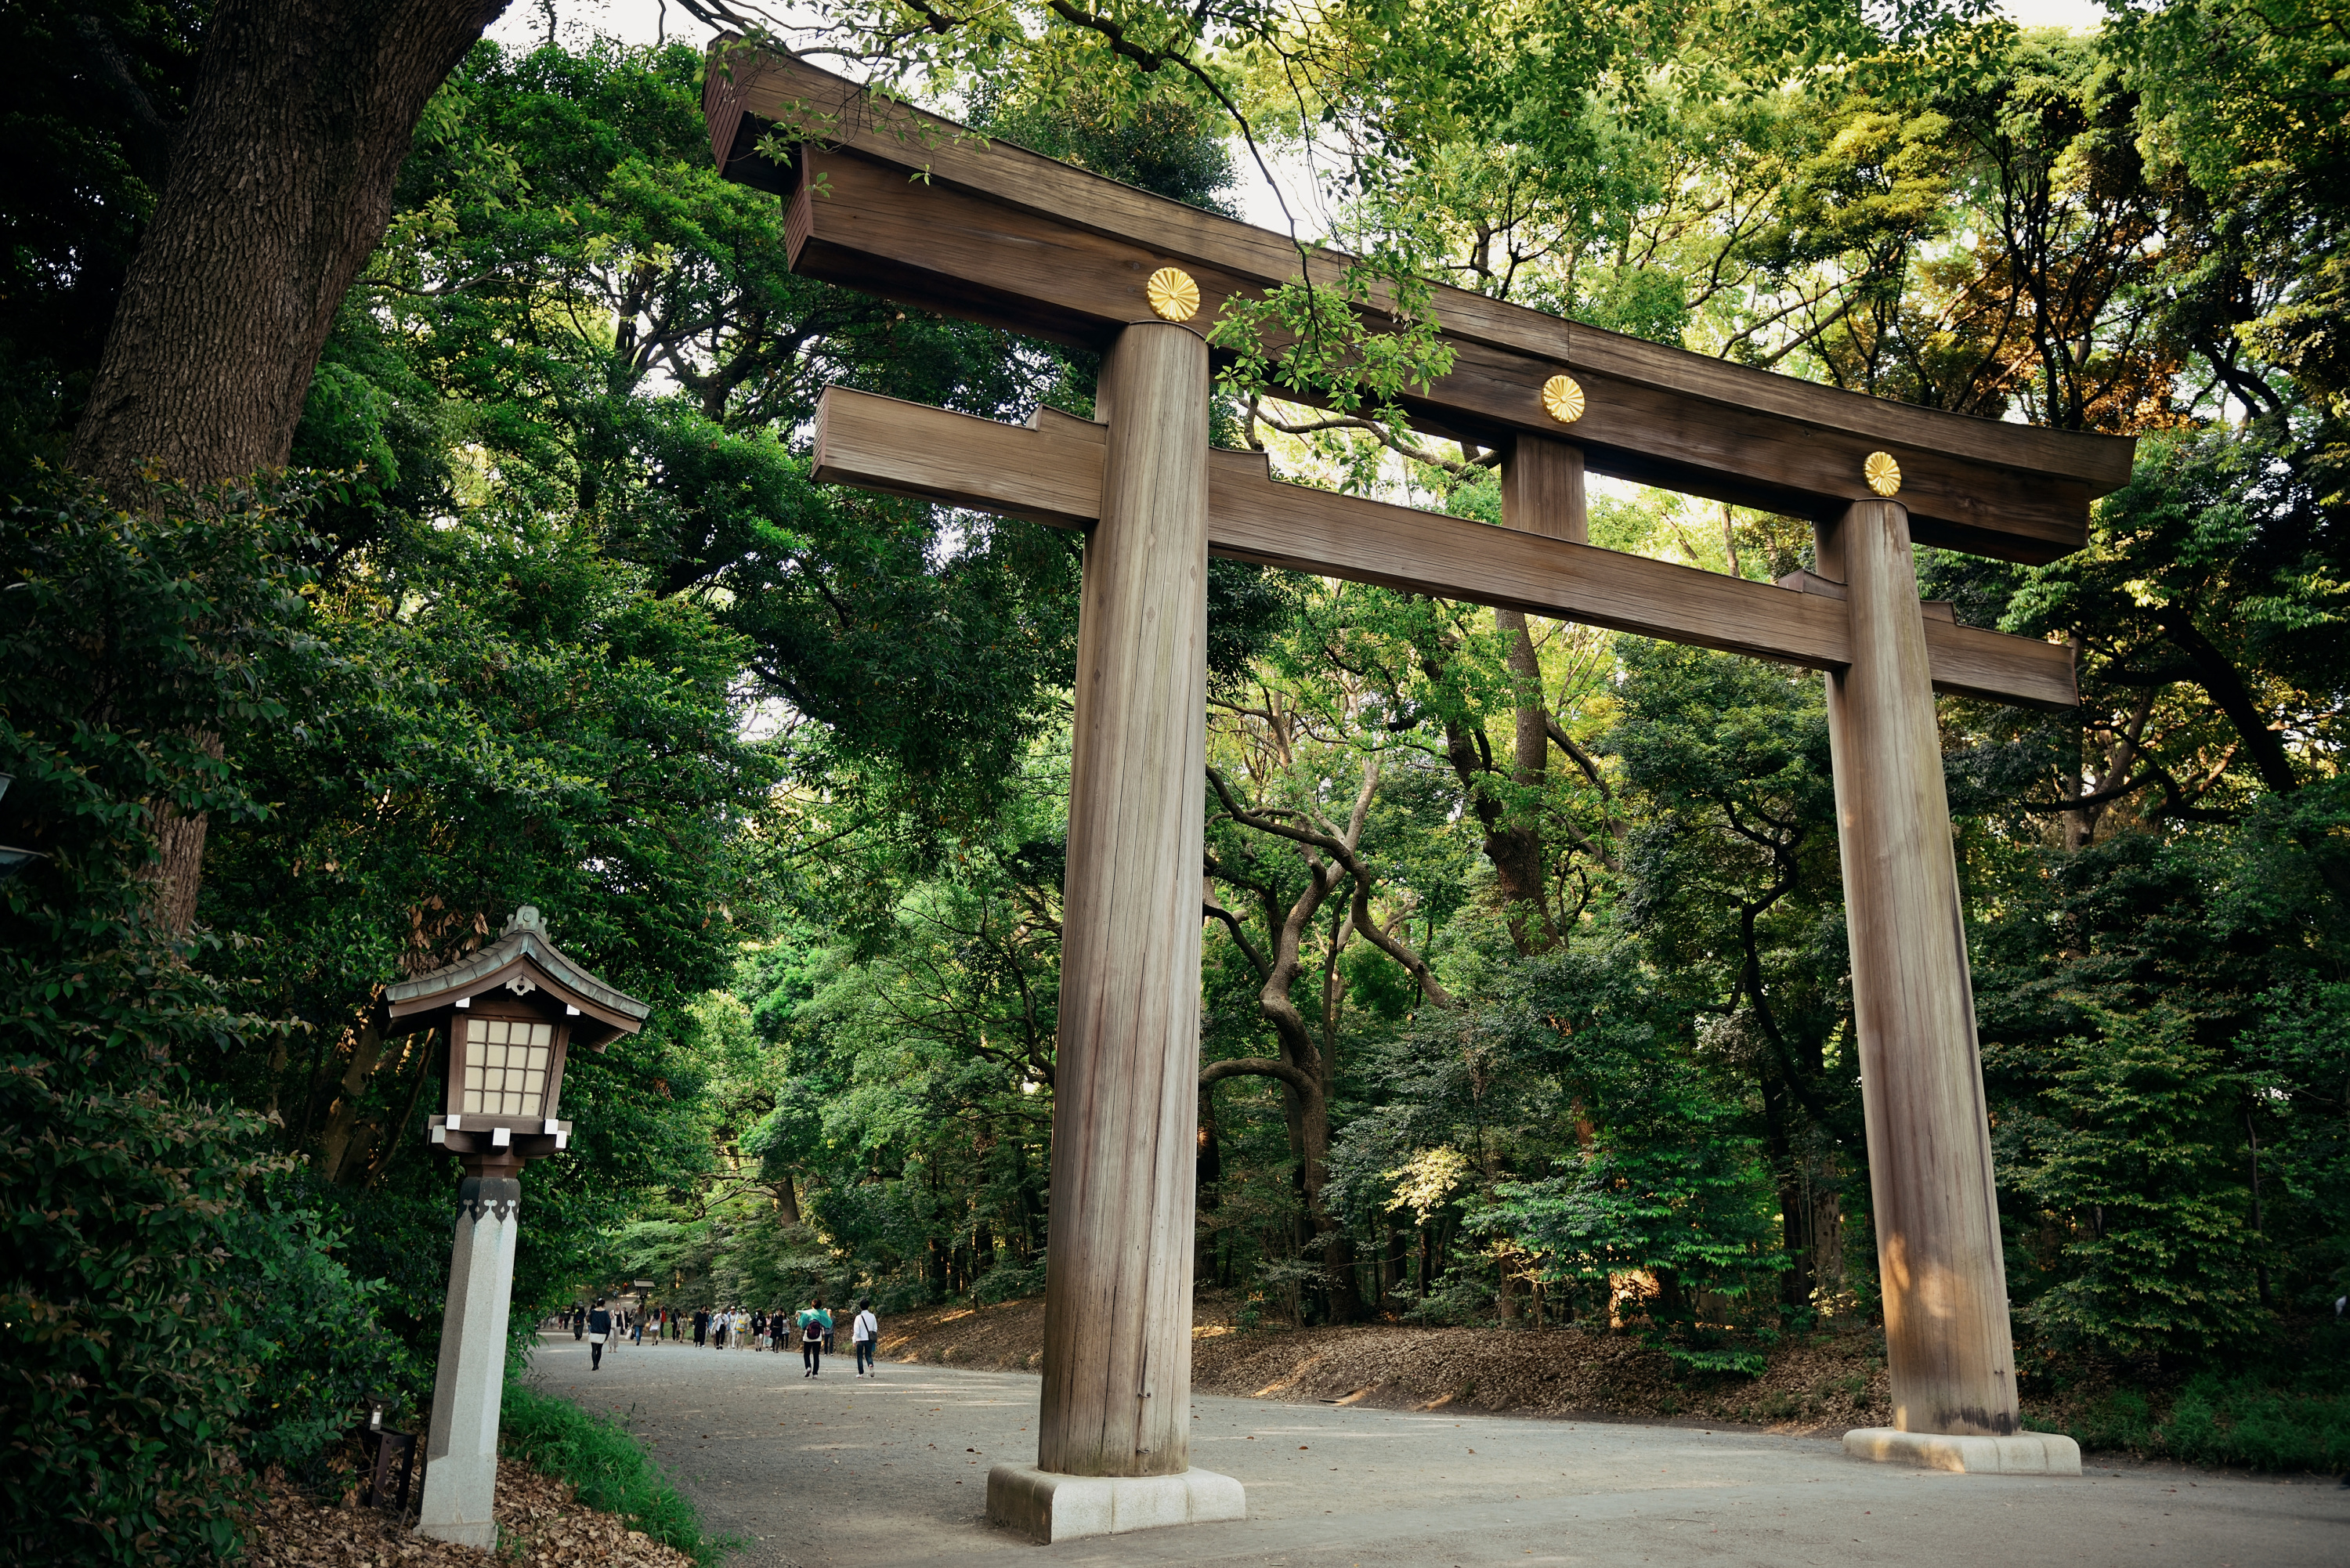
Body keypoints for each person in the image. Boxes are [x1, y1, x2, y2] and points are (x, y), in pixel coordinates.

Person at [797, 1298, 833, 1378]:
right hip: (818, 1336)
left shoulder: (807, 1313)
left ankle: (808, 1367)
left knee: (806, 1354)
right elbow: (829, 1322)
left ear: (812, 1305)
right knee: (816, 1355)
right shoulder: (822, 1313)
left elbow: (801, 1323)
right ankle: (815, 1373)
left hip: (808, 1335)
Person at [851, 1298, 879, 1378]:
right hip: (869, 1339)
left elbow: (856, 1331)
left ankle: (861, 1373)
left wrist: (854, 1340)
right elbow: (875, 1329)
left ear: (860, 1307)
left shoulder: (858, 1317)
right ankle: (870, 1365)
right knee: (868, 1355)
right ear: (868, 1306)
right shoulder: (872, 1316)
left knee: (860, 1356)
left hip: (860, 1339)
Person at [588, 1298, 613, 1371]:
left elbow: (591, 1321)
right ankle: (597, 1364)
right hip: (602, 1333)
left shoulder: (593, 1311)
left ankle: (594, 1364)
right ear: (604, 1304)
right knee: (599, 1349)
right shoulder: (605, 1313)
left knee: (593, 1349)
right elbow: (608, 1323)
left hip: (594, 1332)